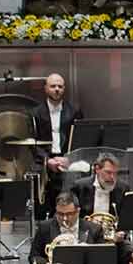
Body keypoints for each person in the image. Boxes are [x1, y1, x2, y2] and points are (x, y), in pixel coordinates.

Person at [28, 71, 85, 216]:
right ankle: (42, 221)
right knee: (37, 183)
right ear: (46, 88)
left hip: (67, 158)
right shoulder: (35, 113)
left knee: (74, 181)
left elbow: (80, 139)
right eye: (53, 86)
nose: (57, 89)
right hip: (44, 160)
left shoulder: (74, 111)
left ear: (64, 89)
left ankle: (70, 218)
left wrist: (69, 158)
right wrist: (48, 161)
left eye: (60, 86)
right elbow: (31, 142)